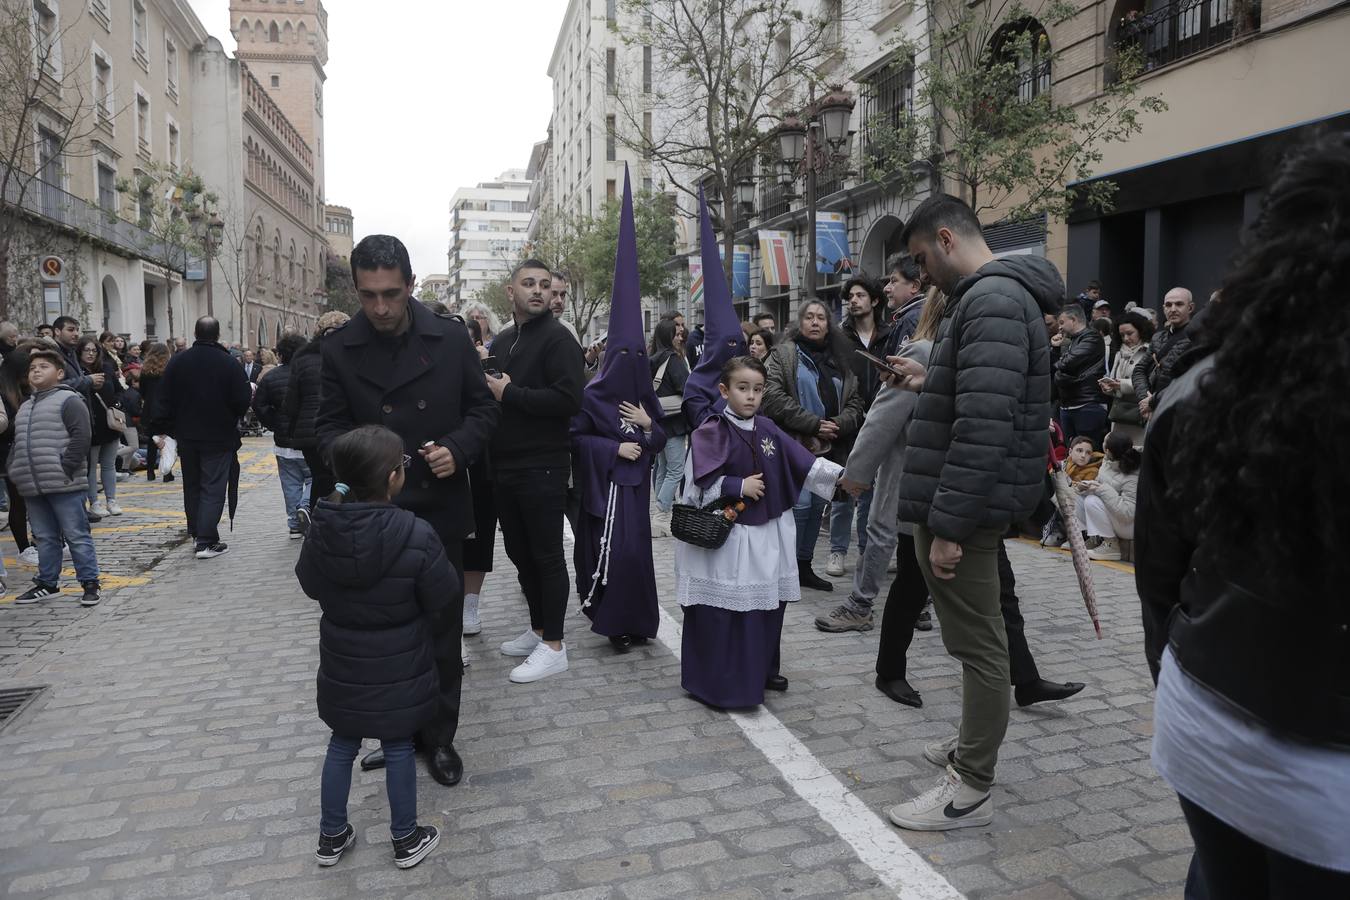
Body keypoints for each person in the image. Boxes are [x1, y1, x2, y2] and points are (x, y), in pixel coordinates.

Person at [1138, 132, 1350, 898]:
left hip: (1205, 715)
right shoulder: (1206, 393)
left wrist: (1173, 673)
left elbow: (1158, 579)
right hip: (1307, 761)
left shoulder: (1201, 391)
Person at [888, 192, 1061, 831]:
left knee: (980, 646)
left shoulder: (990, 299)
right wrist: (924, 381)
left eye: (920, 259)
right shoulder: (989, 299)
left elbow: (985, 424)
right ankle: (969, 747)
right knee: (974, 641)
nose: (921, 274)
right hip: (958, 500)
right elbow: (976, 396)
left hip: (962, 507)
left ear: (946, 237)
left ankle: (970, 786)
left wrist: (951, 528)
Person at [316, 234, 498, 788]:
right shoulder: (340, 347)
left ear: (411, 285)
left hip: (437, 509)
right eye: (369, 295)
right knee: (388, 637)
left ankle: (438, 737)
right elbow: (322, 430)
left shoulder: (448, 338)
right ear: (355, 288)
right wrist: (362, 465)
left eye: (391, 294)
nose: (380, 308)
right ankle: (397, 734)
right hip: (373, 516)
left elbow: (484, 410)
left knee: (441, 633)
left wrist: (459, 449)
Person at [295, 425, 451, 871]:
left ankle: (331, 835)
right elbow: (442, 596)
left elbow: (308, 584)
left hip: (343, 658)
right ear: (391, 478)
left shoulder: (324, 528)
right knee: (398, 744)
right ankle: (405, 838)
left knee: (341, 743)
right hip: (402, 658)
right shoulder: (415, 531)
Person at [675, 356, 843, 707]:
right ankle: (719, 681)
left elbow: (804, 463)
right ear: (724, 390)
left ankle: (761, 669)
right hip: (726, 540)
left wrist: (844, 478)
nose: (751, 396)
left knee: (763, 607)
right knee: (724, 611)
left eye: (758, 389)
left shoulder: (768, 428)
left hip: (765, 534)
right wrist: (736, 484)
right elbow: (692, 488)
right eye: (742, 388)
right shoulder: (711, 429)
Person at [571, 181, 666, 652]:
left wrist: (648, 430)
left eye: (638, 353)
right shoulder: (593, 396)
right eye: (621, 352)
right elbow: (578, 439)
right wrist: (614, 448)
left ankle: (640, 621)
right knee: (615, 554)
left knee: (639, 557)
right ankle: (612, 623)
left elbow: (663, 437)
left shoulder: (646, 396)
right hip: (607, 489)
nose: (630, 361)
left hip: (637, 490)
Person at [485, 259, 585, 683]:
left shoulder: (560, 340)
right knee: (518, 552)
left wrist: (511, 393)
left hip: (543, 463)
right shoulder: (504, 339)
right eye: (529, 284)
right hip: (504, 463)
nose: (539, 291)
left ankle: (555, 645)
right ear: (511, 292)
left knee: (546, 555)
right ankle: (539, 627)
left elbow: (567, 401)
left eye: (545, 285)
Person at [822, 292, 942, 636]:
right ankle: (921, 604)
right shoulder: (961, 355)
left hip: (906, 461)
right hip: (941, 467)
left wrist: (856, 473)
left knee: (883, 531)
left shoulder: (921, 350)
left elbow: (882, 419)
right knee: (918, 535)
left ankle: (861, 604)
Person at [761, 300, 865, 593]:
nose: (815, 322)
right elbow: (772, 397)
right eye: (809, 317)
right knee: (801, 505)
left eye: (821, 317)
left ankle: (804, 567)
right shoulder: (783, 354)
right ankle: (787, 568)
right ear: (800, 322)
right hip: (795, 444)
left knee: (819, 504)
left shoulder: (840, 358)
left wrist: (838, 423)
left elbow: (855, 401)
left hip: (828, 447)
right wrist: (813, 423)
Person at [7, 348, 101, 607]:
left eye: (43, 366)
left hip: (63, 482)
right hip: (32, 485)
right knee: (45, 537)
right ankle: (47, 583)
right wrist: (14, 468)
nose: (36, 370)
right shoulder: (26, 405)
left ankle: (90, 582)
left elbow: (82, 437)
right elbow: (18, 443)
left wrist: (66, 467)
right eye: (32, 367)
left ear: (59, 373)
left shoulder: (69, 400)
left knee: (76, 534)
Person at [156, 317, 252, 559]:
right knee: (213, 486)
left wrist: (167, 428)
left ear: (195, 333)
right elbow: (242, 398)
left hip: (187, 435)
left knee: (193, 485)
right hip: (218, 435)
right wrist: (231, 415)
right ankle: (206, 540)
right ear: (218, 335)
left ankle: (198, 533)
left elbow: (164, 397)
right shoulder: (228, 363)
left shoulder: (178, 361)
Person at [831, 276, 892, 577]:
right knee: (845, 486)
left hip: (880, 419)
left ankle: (865, 552)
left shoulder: (890, 334)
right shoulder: (840, 336)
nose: (853, 300)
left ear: (875, 300)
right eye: (850, 296)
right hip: (849, 419)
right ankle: (837, 551)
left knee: (871, 491)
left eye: (860, 295)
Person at [286, 311, 349, 516]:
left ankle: (317, 522)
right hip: (344, 429)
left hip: (309, 433)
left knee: (320, 479)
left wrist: (291, 429)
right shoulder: (350, 354)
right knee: (346, 478)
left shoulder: (302, 358)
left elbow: (292, 401)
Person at [459, 316, 496, 641]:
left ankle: (470, 605)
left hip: (480, 465)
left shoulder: (484, 373)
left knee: (479, 535)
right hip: (436, 465)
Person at [252, 333, 310, 538]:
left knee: (290, 483)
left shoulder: (271, 377)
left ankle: (295, 523)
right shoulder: (311, 373)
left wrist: (274, 424)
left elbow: (259, 405)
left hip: (284, 441)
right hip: (310, 437)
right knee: (313, 478)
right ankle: (306, 506)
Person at [648, 316, 689, 537]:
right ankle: (661, 514)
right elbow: (686, 388)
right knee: (675, 470)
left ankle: (659, 516)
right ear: (668, 336)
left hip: (658, 422)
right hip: (674, 424)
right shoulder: (672, 359)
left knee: (663, 469)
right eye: (676, 333)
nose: (680, 336)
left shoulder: (653, 358)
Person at [75, 336, 125, 519]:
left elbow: (120, 391)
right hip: (91, 423)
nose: (90, 354)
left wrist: (118, 406)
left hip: (110, 423)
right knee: (91, 467)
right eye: (86, 350)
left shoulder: (106, 368)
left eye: (94, 350)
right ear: (79, 352)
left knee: (109, 464)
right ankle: (94, 501)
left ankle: (111, 500)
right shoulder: (78, 373)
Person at [1052, 303, 1109, 450]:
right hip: (1068, 405)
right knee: (1071, 455)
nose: (1060, 328)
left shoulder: (1092, 337)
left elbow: (1066, 364)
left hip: (1087, 404)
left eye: (1062, 322)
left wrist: (1059, 370)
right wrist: (1056, 349)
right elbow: (1055, 367)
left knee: (1087, 458)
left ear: (1074, 319)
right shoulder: (1071, 341)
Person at [1, 344, 39, 565]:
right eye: (28, 372)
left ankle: (37, 542)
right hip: (8, 454)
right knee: (18, 501)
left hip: (24, 452)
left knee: (29, 501)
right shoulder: (4, 394)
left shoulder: (25, 391)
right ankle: (24, 548)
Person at [1073, 431, 1138, 561]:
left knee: (1092, 501)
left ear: (1108, 450)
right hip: (1115, 516)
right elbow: (1099, 486)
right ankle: (1094, 538)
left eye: (1104, 441)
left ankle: (1111, 546)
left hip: (1130, 526)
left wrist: (1102, 489)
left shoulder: (1134, 473)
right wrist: (1085, 487)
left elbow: (1128, 513)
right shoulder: (1107, 461)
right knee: (1075, 497)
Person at [1132, 287, 1193, 420]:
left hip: (1182, 411)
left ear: (1190, 308)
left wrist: (1153, 401)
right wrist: (1145, 399)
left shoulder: (1198, 337)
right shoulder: (1157, 338)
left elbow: (1190, 379)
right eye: (1168, 305)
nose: (1173, 309)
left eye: (1179, 304)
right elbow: (1139, 370)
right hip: (1153, 410)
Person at [1098, 309, 1154, 446]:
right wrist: (1108, 387)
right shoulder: (1119, 353)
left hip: (1140, 412)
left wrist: (1120, 385)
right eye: (1122, 335)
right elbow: (1115, 378)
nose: (1126, 339)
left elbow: (1149, 383)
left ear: (1141, 330)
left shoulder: (1150, 351)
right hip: (1120, 414)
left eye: (1130, 333)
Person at [137, 343, 172, 482]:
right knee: (166, 441)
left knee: (152, 442)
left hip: (150, 409)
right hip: (165, 408)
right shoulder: (169, 369)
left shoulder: (145, 370)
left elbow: (142, 391)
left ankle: (150, 471)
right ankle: (166, 473)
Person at [883, 253, 927, 353]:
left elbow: (899, 367)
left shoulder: (910, 319)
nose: (886, 288)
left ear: (915, 286)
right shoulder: (921, 313)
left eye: (893, 281)